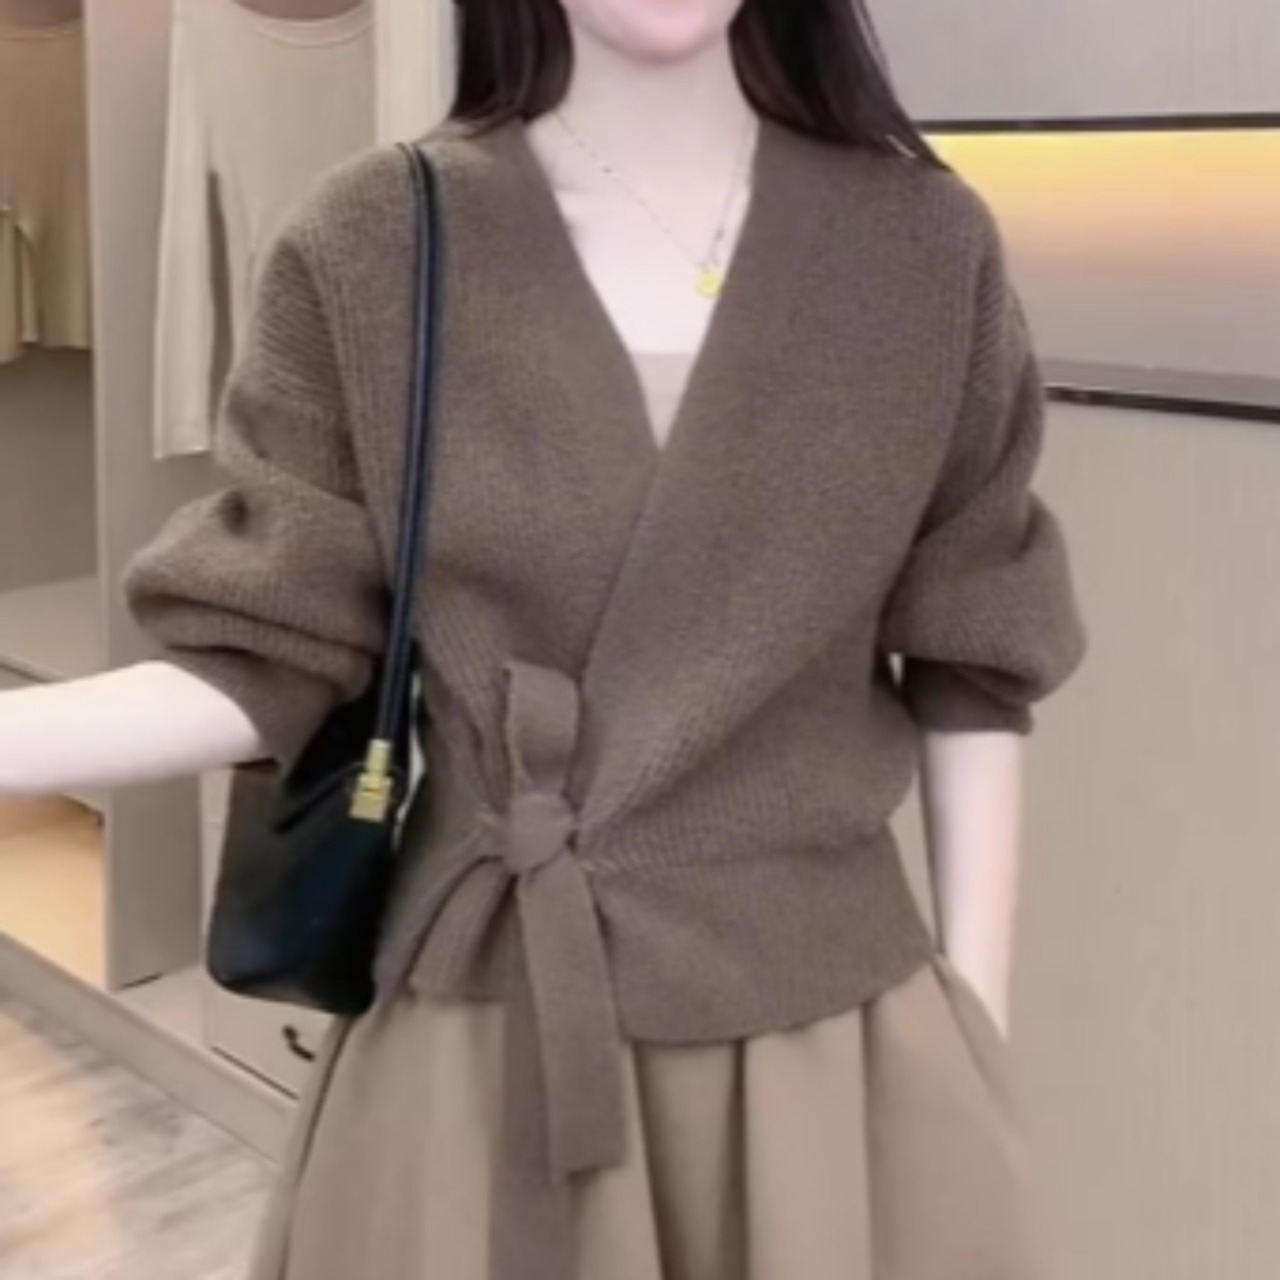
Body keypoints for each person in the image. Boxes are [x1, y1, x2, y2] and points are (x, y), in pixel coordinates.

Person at [0, 1, 1087, 1276]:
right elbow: (261, 646)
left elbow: (972, 659)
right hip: (473, 1039)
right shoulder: (376, 241)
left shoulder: (920, 247)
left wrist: (969, 1029)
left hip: (822, 1041)